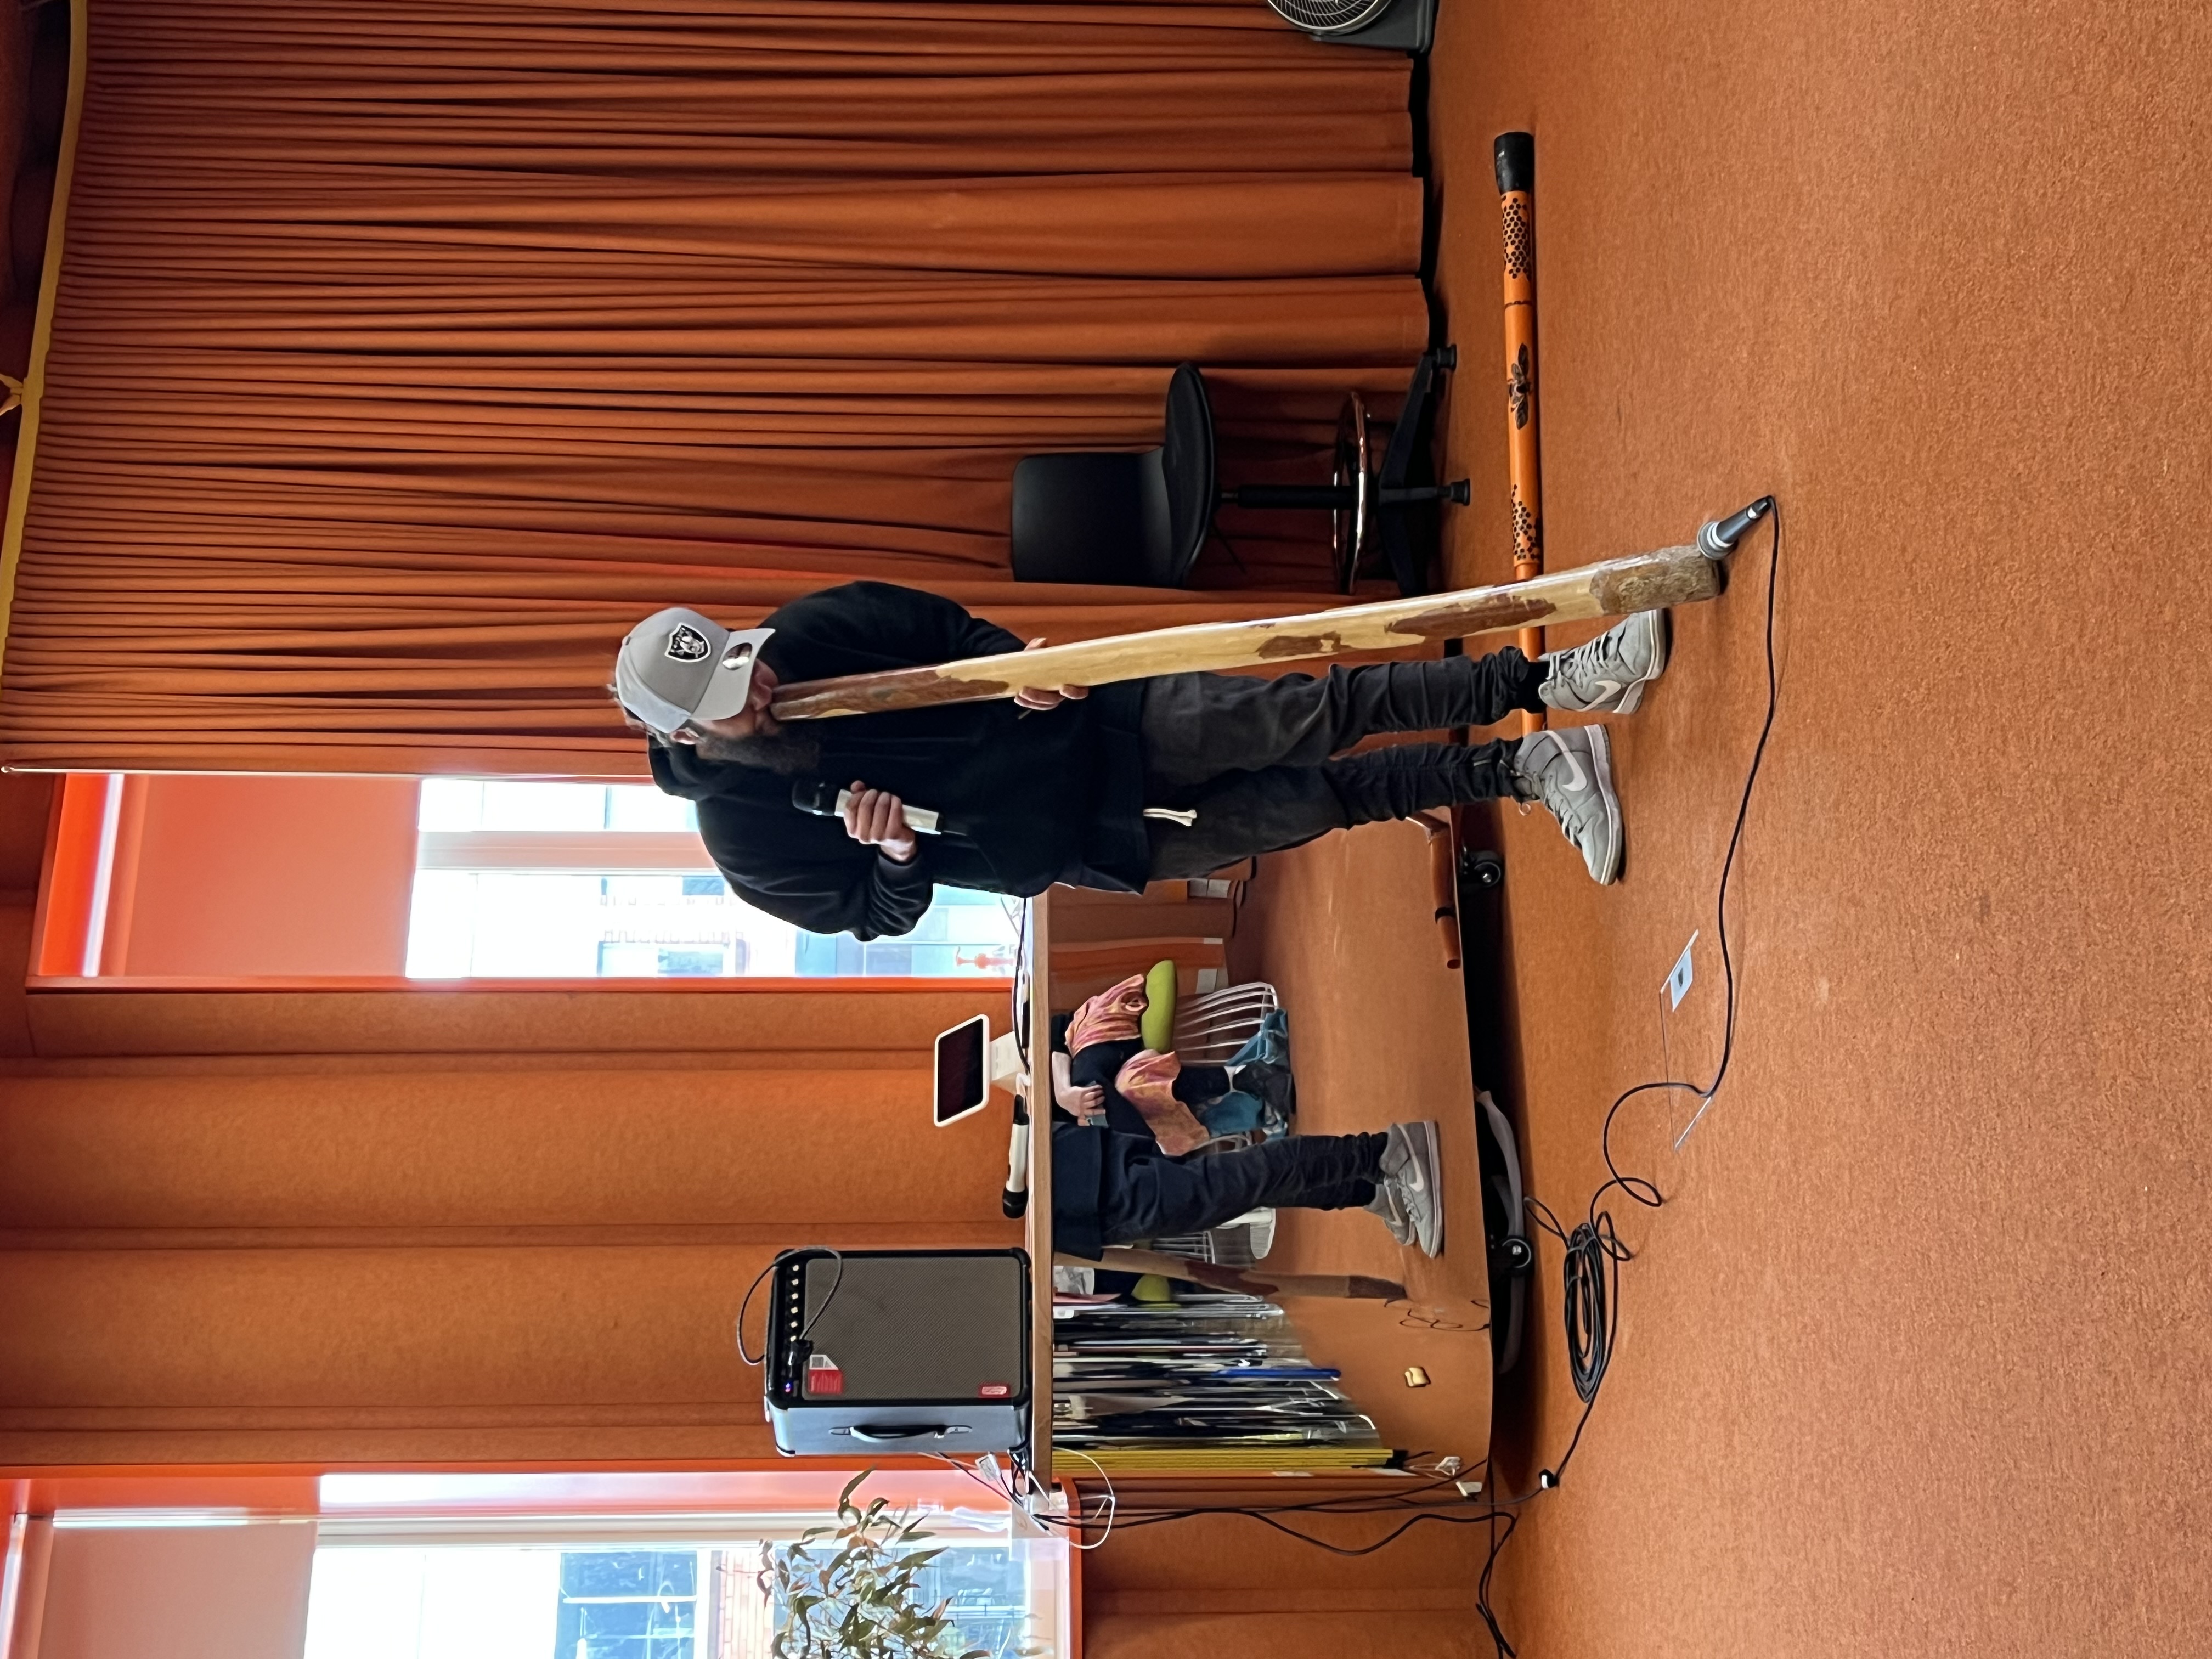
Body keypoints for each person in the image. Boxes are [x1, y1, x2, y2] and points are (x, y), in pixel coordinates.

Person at [612, 580, 1669, 939]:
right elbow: (873, 918)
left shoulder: (807, 632)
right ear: (681, 735)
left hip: (1101, 725)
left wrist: (1011, 670)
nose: (756, 688)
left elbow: (952, 629)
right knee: (1328, 800)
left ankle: (1551, 681)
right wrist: (894, 862)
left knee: (1321, 714)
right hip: (1087, 836)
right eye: (723, 703)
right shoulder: (744, 842)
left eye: (741, 664)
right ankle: (1532, 771)